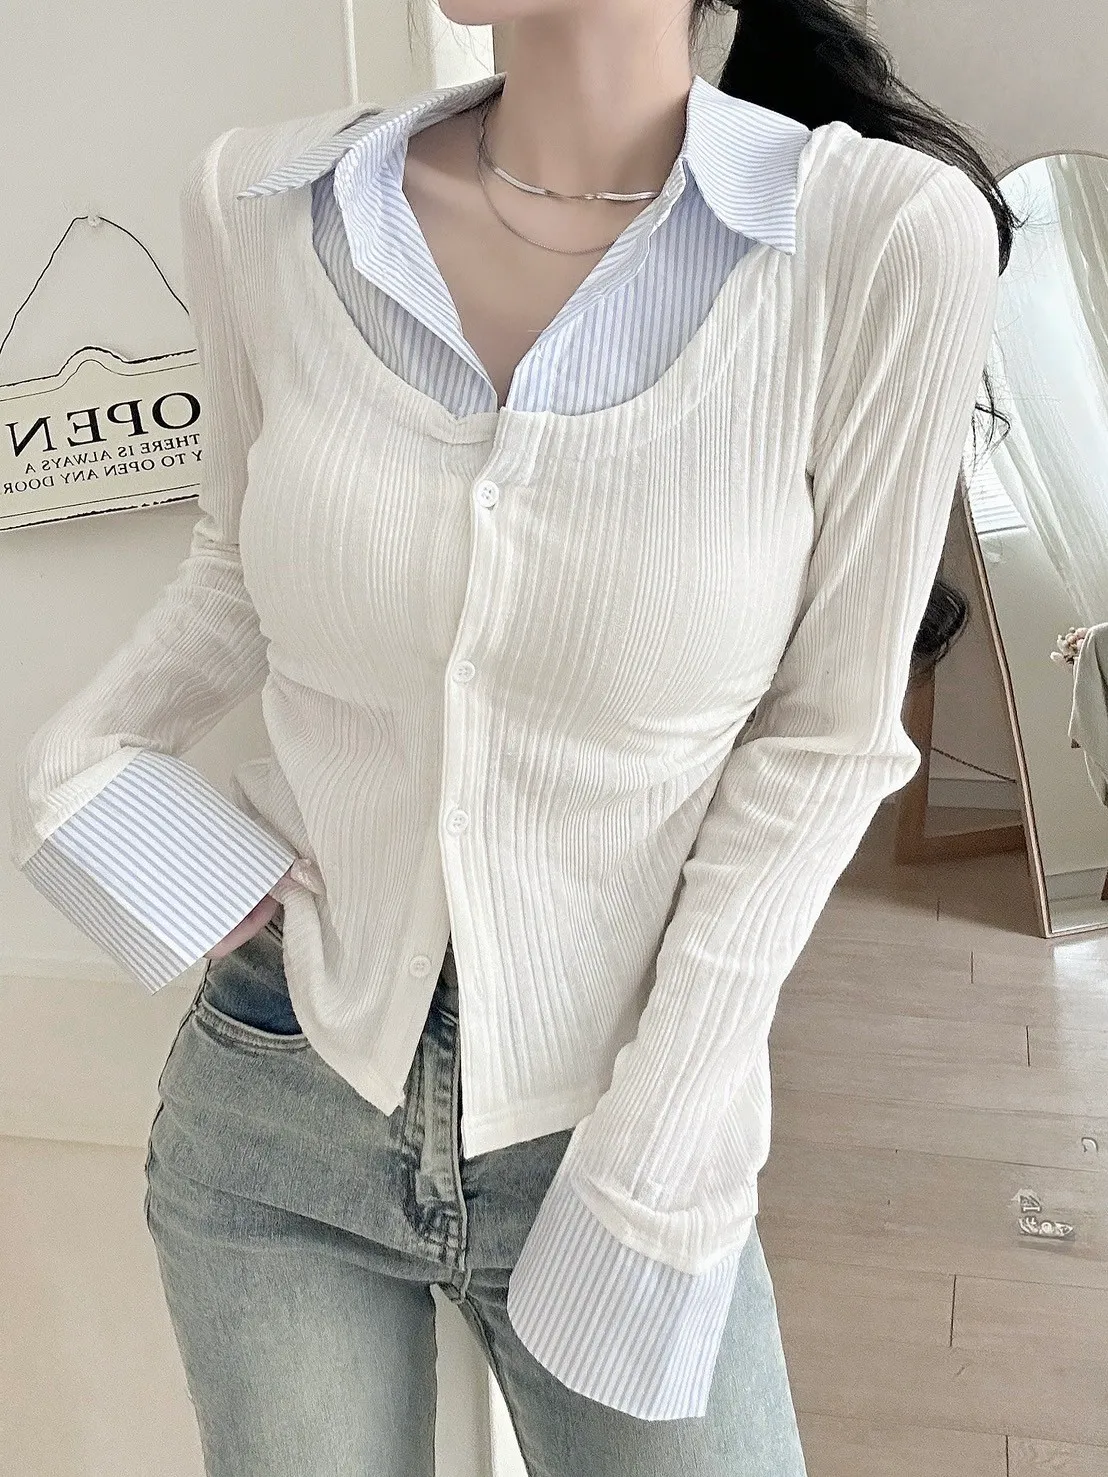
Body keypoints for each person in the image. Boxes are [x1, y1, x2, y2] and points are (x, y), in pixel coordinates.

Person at [8, 1, 1018, 1472]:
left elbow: (826, 740)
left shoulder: (879, 236)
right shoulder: (262, 203)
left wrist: (659, 1146)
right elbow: (233, 570)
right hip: (280, 1092)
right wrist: (85, 780)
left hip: (619, 1121)